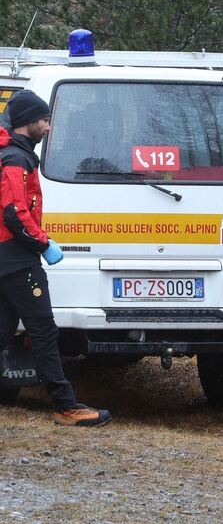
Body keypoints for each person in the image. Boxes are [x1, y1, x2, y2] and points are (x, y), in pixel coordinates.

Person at [0, 90, 111, 427]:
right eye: (45, 120)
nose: (49, 127)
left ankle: (66, 403)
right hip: (18, 259)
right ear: (28, 122)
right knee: (44, 330)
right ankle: (66, 405)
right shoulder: (15, 160)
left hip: (9, 256)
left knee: (2, 331)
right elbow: (14, 214)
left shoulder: (14, 155)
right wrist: (43, 243)